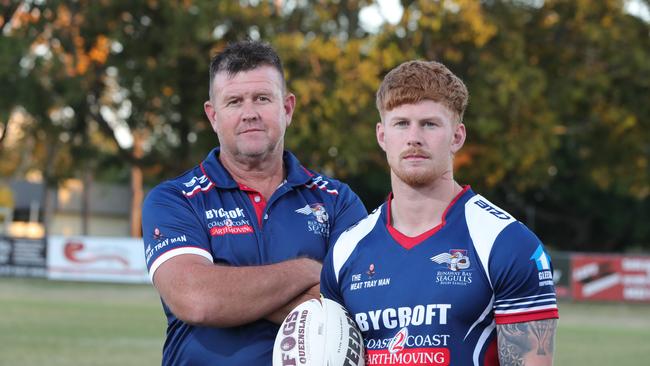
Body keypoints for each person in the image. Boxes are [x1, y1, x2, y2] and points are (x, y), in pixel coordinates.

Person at [141, 40, 367, 365]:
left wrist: (230, 290)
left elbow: (357, 304)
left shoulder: (336, 200)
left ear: (286, 108)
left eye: (262, 98)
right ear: (213, 115)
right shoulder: (175, 198)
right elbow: (196, 298)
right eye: (234, 101)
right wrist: (308, 270)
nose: (250, 113)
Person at [321, 60, 559, 365]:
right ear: (382, 136)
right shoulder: (346, 250)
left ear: (457, 137)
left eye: (430, 124)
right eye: (401, 123)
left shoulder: (507, 244)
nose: (414, 138)